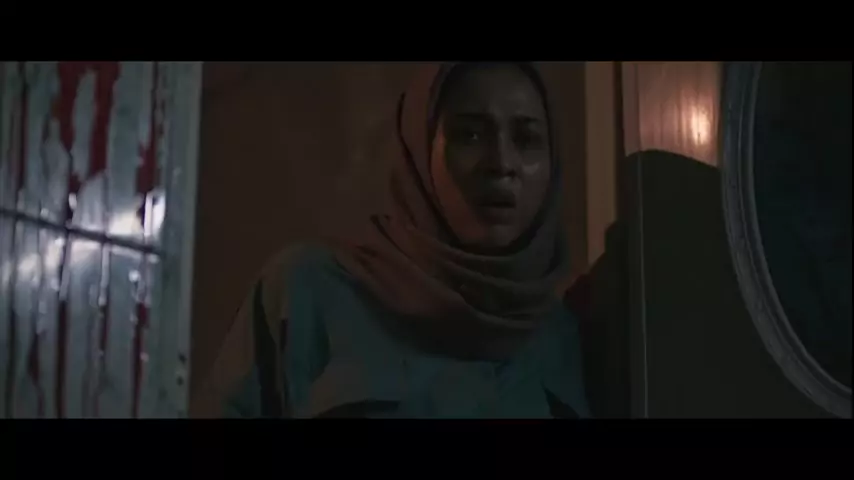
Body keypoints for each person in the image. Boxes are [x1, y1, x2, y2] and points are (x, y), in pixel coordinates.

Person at [200, 62, 591, 418]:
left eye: (526, 139)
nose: (502, 163)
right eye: (469, 134)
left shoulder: (565, 337)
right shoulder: (308, 292)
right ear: (419, 148)